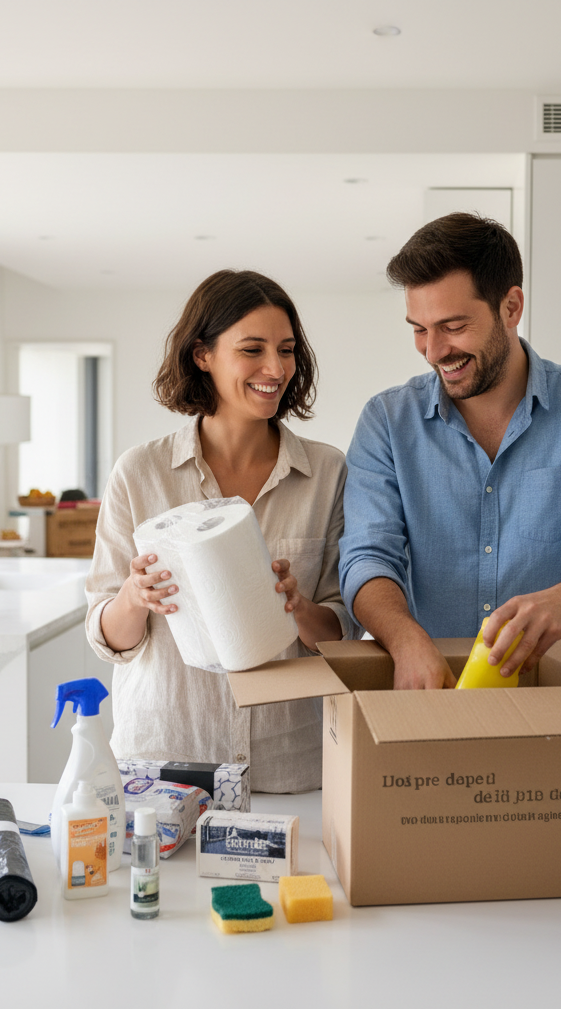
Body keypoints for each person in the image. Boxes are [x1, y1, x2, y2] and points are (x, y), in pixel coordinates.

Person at [86, 269, 356, 792]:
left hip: (290, 763)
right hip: (164, 762)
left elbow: (341, 631)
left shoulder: (326, 473)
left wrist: (297, 607)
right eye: (252, 350)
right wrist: (134, 597)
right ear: (202, 355)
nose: (275, 368)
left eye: (286, 350)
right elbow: (107, 639)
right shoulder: (139, 474)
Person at [339, 212, 561, 690]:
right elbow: (367, 557)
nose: (433, 350)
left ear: (511, 307)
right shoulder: (387, 422)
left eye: (453, 326)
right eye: (419, 329)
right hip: (432, 703)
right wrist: (404, 639)